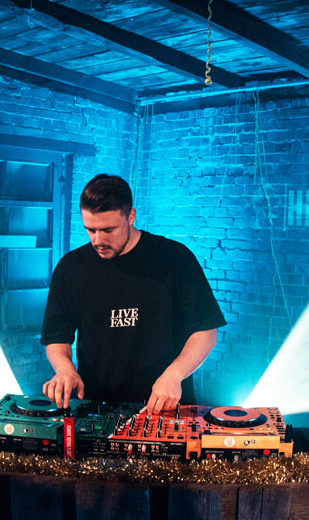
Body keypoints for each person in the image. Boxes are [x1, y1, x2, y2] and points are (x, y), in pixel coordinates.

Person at [40, 174, 225, 414]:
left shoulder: (175, 258)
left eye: (108, 230)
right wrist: (64, 369)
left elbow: (206, 332)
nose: (98, 240)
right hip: (96, 408)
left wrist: (174, 375)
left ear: (131, 216)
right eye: (90, 230)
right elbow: (57, 337)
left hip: (166, 407)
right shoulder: (71, 267)